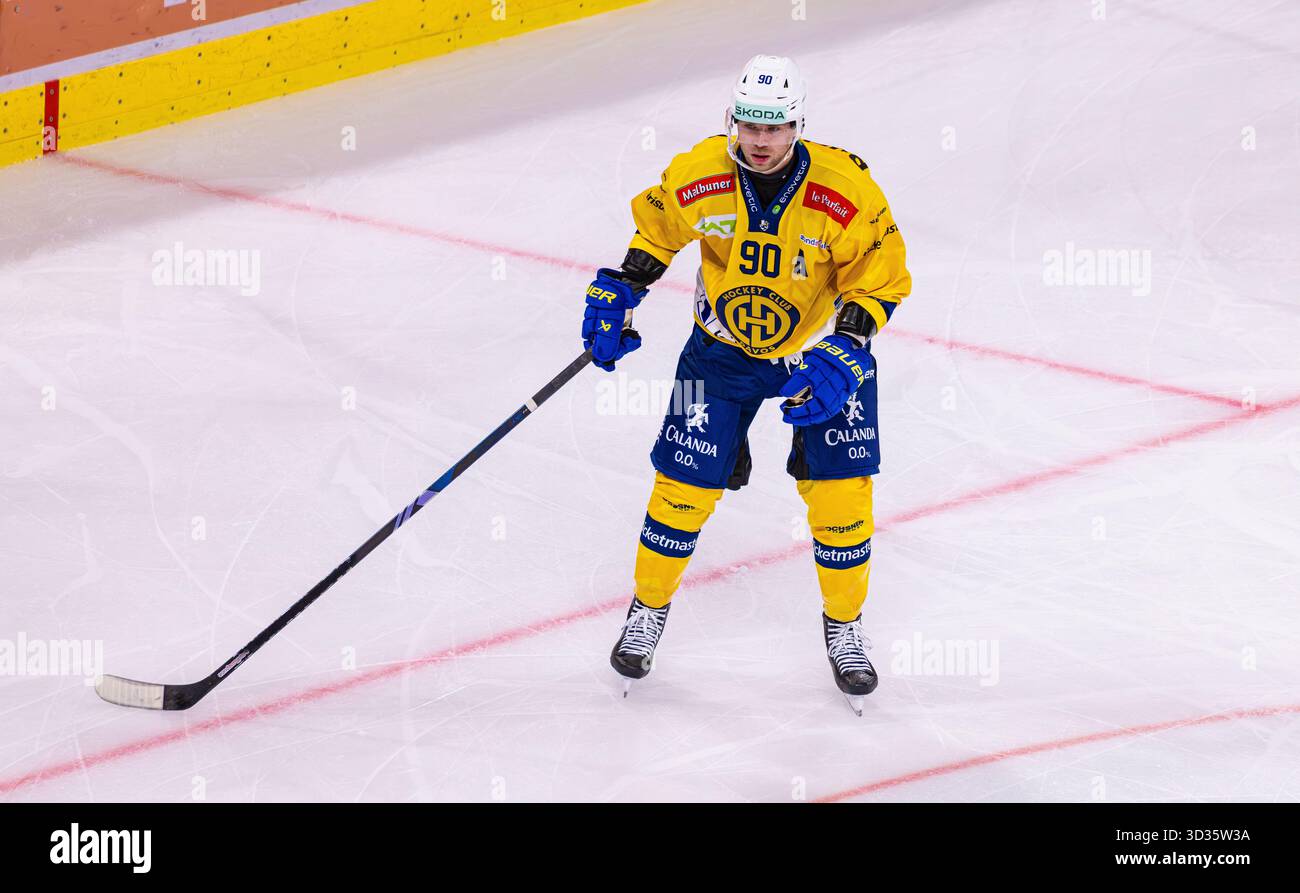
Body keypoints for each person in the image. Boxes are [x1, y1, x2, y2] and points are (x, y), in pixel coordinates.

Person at [581, 54, 911, 712]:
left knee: (843, 500)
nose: (760, 142)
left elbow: (881, 272)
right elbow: (658, 230)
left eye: (775, 128)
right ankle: (647, 611)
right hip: (719, 357)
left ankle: (844, 626)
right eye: (750, 126)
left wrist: (847, 347)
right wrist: (621, 288)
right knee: (680, 488)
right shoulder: (701, 171)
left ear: (798, 126)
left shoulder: (844, 190)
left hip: (817, 363)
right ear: (733, 120)